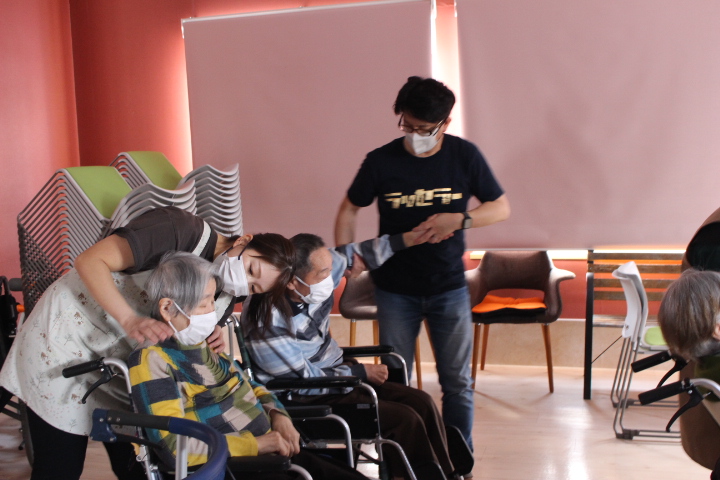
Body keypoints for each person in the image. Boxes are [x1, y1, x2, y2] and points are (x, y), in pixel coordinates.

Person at [0, 206, 294, 480]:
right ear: (244, 240)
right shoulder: (180, 230)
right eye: (251, 269)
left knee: (136, 462)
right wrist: (129, 319)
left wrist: (210, 329)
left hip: (125, 368)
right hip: (66, 343)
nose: (244, 283)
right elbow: (90, 260)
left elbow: (191, 329)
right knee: (61, 465)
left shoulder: (230, 288)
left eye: (254, 287)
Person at [334, 76, 510, 448]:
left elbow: (500, 207)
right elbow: (349, 209)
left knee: (457, 383)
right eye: (407, 126)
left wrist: (459, 220)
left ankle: (459, 458)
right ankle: (403, 456)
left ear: (445, 123)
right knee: (397, 382)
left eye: (424, 129)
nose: (414, 135)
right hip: (395, 290)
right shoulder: (381, 161)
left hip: (449, 288)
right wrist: (345, 256)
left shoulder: (464, 156)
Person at [242, 233, 472, 480]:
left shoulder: (318, 272)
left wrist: (413, 237)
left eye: (330, 269)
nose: (330, 278)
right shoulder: (267, 321)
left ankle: (447, 472)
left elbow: (359, 253)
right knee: (405, 419)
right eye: (322, 274)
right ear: (291, 282)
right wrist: (358, 373)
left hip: (338, 376)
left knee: (421, 401)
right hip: (304, 396)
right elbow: (301, 381)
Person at [128, 251, 368, 480]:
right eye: (203, 304)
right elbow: (174, 447)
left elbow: (250, 385)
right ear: (167, 308)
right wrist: (257, 445)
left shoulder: (203, 344)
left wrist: (277, 414)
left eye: (212, 301)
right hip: (237, 467)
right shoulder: (152, 360)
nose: (212, 313)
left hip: (272, 452)